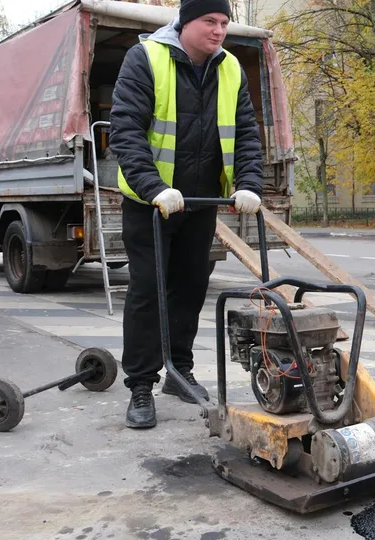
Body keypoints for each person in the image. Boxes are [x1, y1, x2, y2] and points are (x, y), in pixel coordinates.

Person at [108, 0, 264, 429]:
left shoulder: (229, 68)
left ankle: (179, 370)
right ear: (185, 22)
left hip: (201, 203)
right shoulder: (145, 59)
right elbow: (126, 130)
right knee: (147, 290)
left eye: (224, 22)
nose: (218, 31)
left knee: (191, 286)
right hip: (152, 205)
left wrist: (250, 184)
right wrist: (154, 188)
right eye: (209, 22)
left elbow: (246, 133)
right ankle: (141, 383)